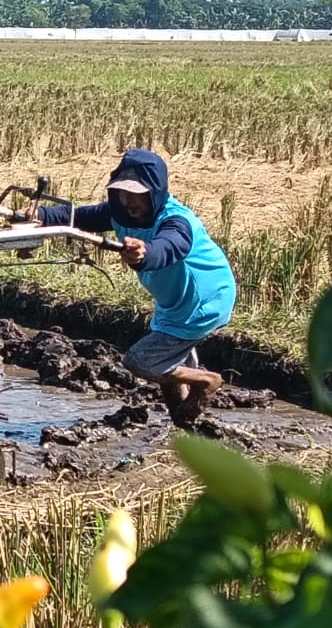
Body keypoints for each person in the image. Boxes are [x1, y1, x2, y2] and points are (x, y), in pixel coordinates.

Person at [27, 149, 237, 424]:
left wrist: (145, 253)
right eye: (122, 193)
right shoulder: (119, 213)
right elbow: (78, 216)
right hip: (174, 302)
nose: (128, 202)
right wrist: (40, 214)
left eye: (137, 194)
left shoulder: (175, 221)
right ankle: (185, 424)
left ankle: (206, 382)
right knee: (168, 373)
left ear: (156, 192)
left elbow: (170, 245)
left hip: (202, 302)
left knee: (140, 362)